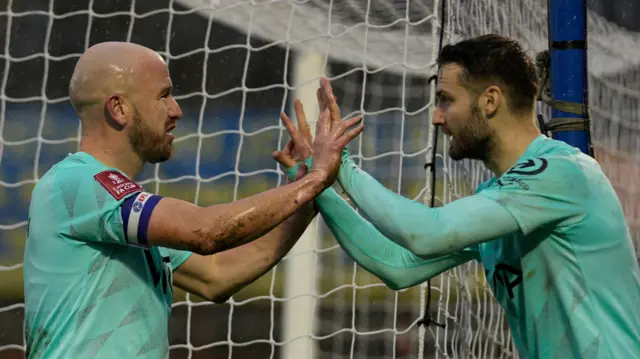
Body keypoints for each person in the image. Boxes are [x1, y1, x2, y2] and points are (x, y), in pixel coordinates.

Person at [274, 34, 640, 359]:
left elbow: (427, 233)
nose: (436, 117)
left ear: (490, 101)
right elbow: (396, 265)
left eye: (446, 100)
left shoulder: (560, 172)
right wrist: (314, 181)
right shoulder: (500, 197)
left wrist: (340, 167)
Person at [22, 41, 363, 359]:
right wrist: (317, 177)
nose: (177, 110)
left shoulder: (122, 212)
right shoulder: (77, 183)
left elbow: (217, 276)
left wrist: (305, 192)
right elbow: (206, 232)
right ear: (119, 108)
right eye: (164, 96)